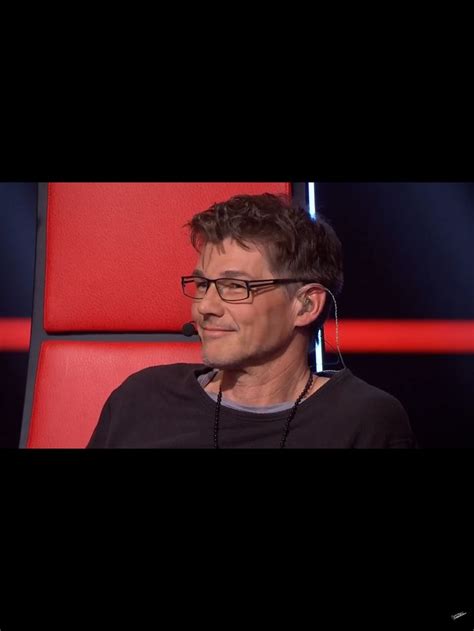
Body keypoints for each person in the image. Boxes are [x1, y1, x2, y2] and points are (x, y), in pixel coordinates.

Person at [87, 193, 416, 448]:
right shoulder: (142, 398)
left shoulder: (364, 420)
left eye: (234, 286)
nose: (206, 306)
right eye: (202, 284)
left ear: (305, 305)